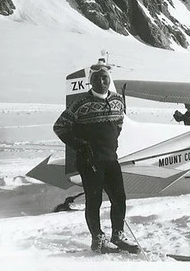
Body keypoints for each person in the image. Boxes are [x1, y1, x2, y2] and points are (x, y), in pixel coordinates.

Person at [53, 63, 139, 254]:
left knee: (119, 198)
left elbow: (118, 123)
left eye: (105, 77)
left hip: (110, 158)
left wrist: (112, 144)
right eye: (97, 78)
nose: (101, 81)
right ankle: (98, 240)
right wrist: (81, 146)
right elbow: (60, 127)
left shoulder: (117, 100)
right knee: (94, 200)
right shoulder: (80, 104)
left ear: (110, 79)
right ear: (90, 81)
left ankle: (118, 235)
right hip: (89, 161)